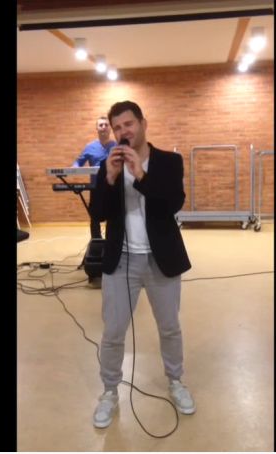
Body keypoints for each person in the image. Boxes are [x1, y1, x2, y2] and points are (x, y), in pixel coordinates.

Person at [89, 100, 194, 429]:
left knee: (170, 327)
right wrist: (110, 177)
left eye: (129, 124)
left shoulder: (169, 161)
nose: (124, 131)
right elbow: (98, 214)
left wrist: (141, 176)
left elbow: (173, 203)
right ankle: (109, 391)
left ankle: (175, 381)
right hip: (121, 260)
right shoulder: (108, 165)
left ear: (143, 123)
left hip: (161, 259)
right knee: (113, 331)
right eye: (117, 127)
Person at [72, 116, 116, 239]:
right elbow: (78, 162)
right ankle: (96, 241)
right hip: (96, 187)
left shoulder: (116, 146)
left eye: (106, 125)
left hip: (114, 187)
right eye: (101, 125)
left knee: (113, 216)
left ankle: (112, 241)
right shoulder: (90, 147)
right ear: (97, 128)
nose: (104, 127)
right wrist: (73, 168)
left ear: (110, 128)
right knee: (95, 216)